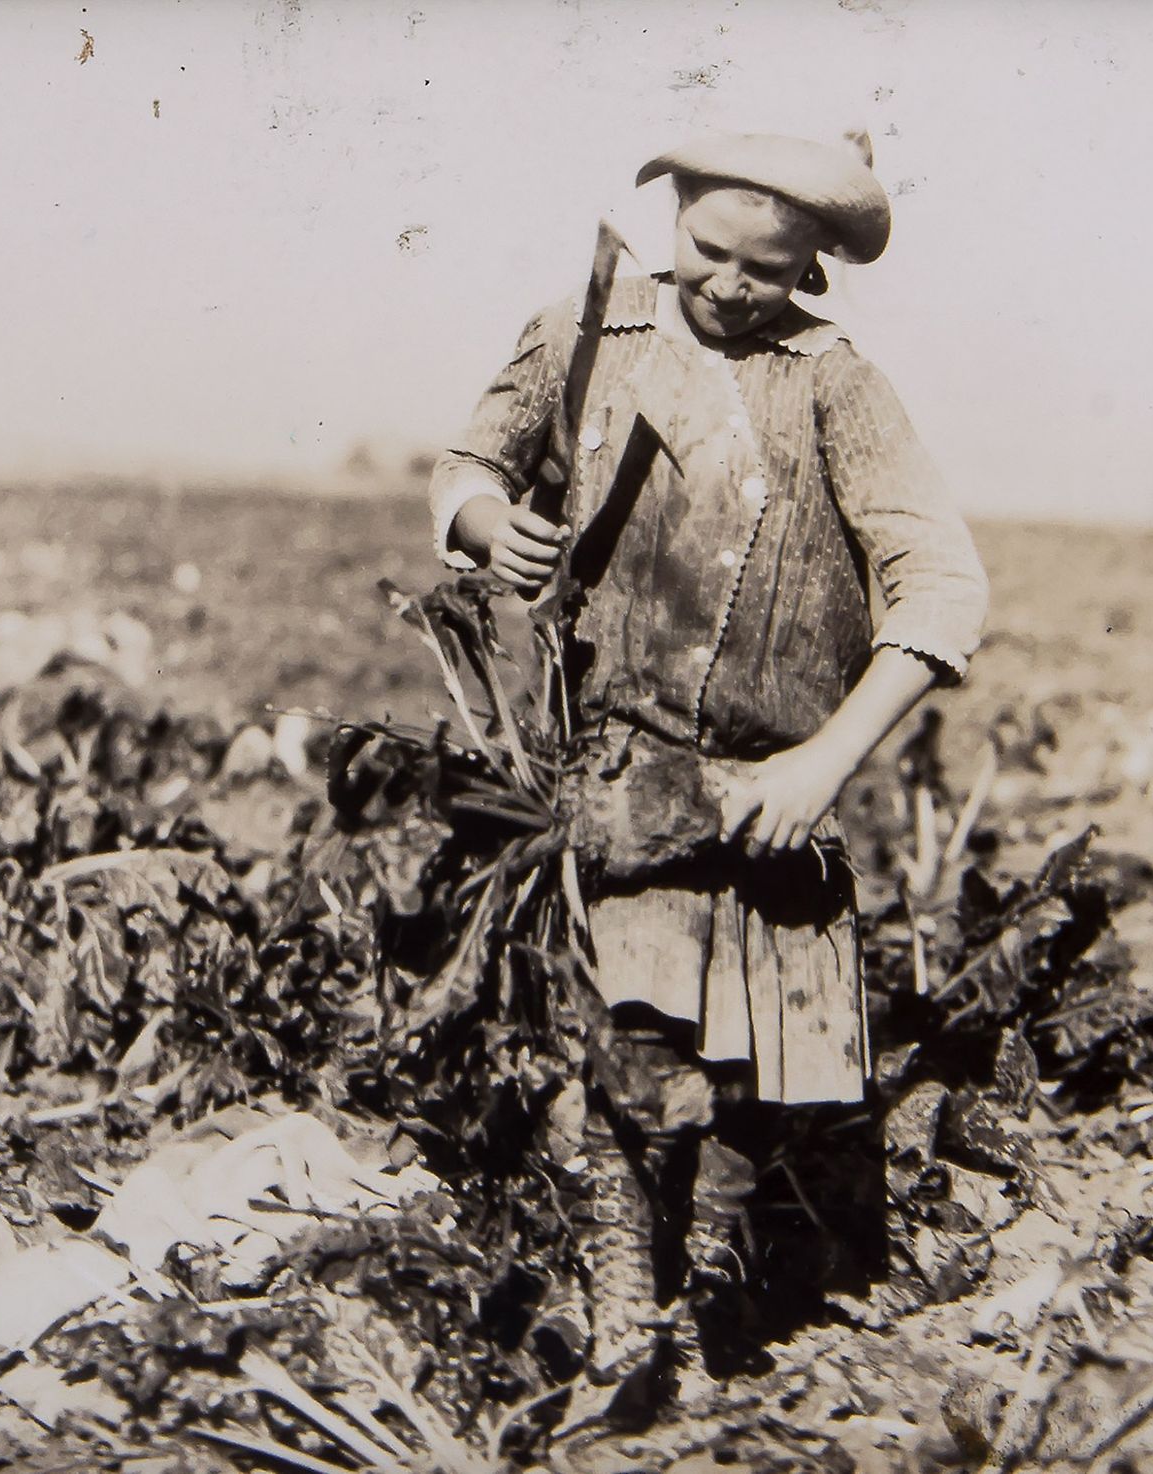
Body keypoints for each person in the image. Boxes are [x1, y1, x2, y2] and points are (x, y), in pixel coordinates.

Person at [428, 127, 990, 1389]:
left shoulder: (835, 382)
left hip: (775, 787)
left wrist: (825, 764)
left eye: (769, 270)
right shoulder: (586, 334)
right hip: (628, 770)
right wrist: (486, 527)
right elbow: (471, 463)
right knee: (635, 1050)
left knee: (756, 1076)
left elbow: (942, 588)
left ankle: (713, 1305)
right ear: (670, 216)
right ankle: (625, 1298)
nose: (732, 286)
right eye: (708, 251)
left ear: (814, 269)